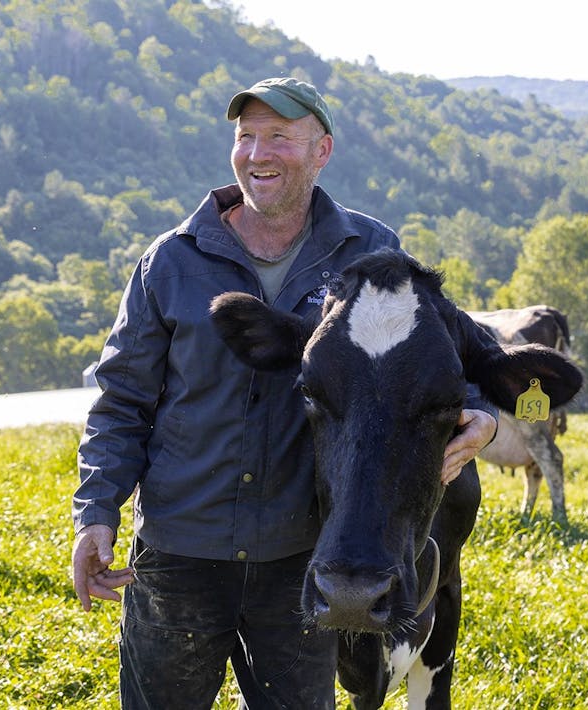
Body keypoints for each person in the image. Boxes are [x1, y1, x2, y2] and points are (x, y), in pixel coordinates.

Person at [71, 77, 498, 708]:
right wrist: (96, 512)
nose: (257, 153)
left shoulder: (371, 250)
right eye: (245, 137)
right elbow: (122, 400)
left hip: (301, 554)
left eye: (279, 137)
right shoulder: (170, 262)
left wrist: (483, 416)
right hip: (180, 553)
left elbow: (435, 357)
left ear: (322, 150)